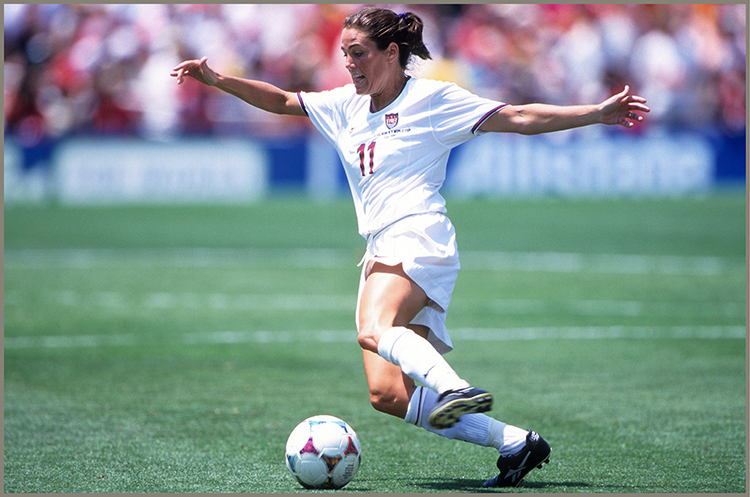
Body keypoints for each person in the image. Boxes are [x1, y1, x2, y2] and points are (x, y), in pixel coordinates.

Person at [171, 6, 649, 488]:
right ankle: (517, 442)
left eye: (358, 54)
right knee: (387, 394)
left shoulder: (432, 100)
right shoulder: (344, 105)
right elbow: (280, 102)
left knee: (375, 328)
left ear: (391, 52)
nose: (349, 65)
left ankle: (456, 387)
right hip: (382, 245)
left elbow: (519, 115)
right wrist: (216, 80)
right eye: (344, 55)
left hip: (418, 234)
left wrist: (595, 113)